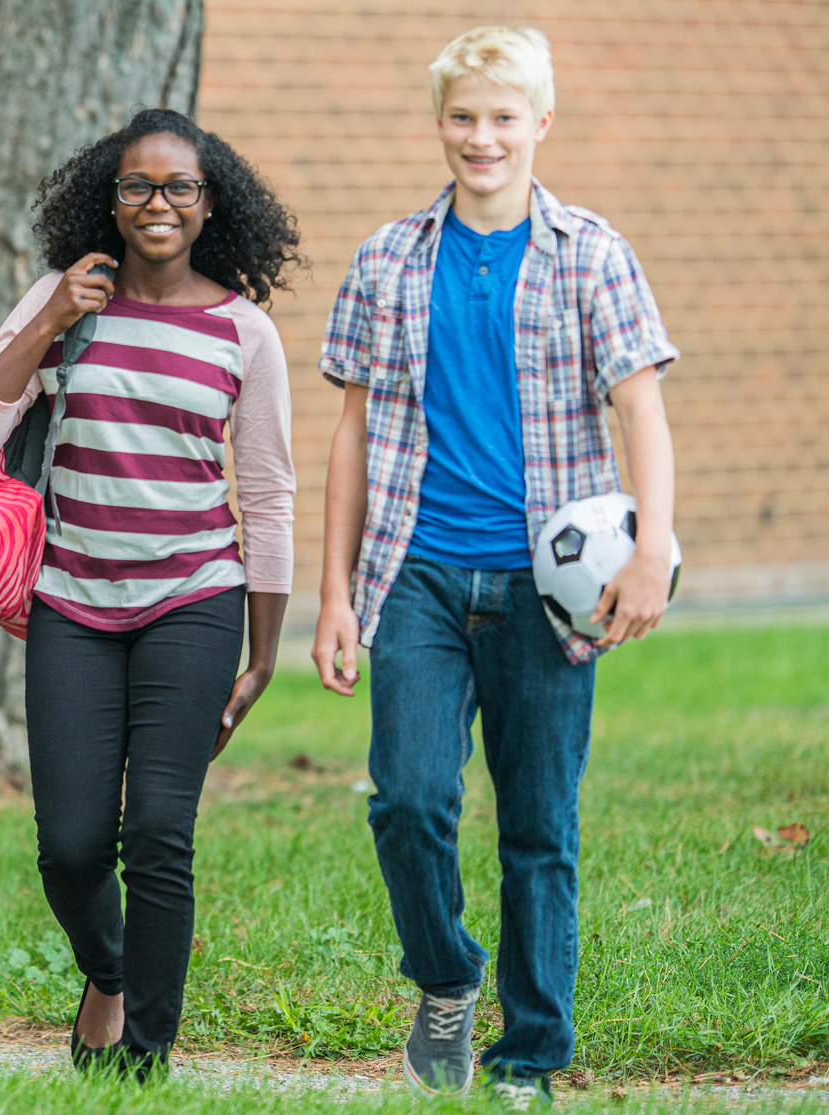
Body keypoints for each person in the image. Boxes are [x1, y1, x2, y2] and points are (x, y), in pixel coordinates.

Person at [312, 26, 679, 1108]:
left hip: (545, 588)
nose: (482, 137)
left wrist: (651, 546)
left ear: (540, 125)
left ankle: (529, 1056)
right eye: (463, 116)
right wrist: (332, 593)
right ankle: (444, 976)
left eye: (502, 117)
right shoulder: (387, 257)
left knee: (537, 825)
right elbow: (350, 431)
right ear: (440, 124)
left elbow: (639, 405)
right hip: (415, 571)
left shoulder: (591, 252)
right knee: (408, 798)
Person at [0, 108, 300, 1078]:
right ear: (110, 198)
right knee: (68, 843)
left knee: (158, 831)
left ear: (210, 202)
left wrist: (264, 651)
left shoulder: (243, 332)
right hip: (74, 602)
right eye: (137, 186)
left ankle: (145, 1055)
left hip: (195, 597)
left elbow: (265, 492)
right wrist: (52, 318)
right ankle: (110, 973)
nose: (157, 204)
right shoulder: (64, 302)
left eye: (178, 186)